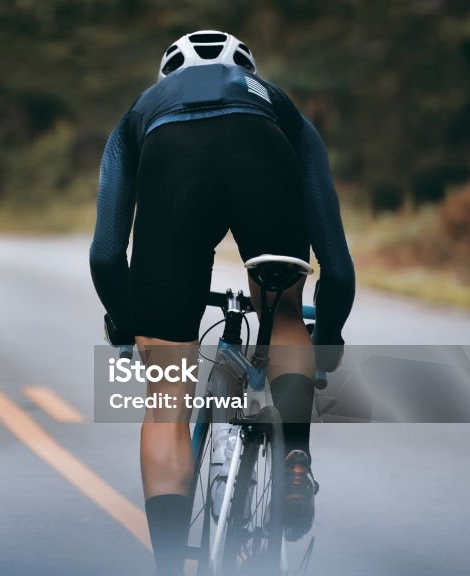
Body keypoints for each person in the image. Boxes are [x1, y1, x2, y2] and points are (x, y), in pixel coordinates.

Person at [89, 30, 355, 575]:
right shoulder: (276, 102)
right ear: (248, 69)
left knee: (166, 398)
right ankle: (295, 459)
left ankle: (168, 566)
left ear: (167, 77)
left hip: (171, 168)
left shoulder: (139, 112)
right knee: (281, 316)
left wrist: (126, 323)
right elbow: (338, 261)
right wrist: (324, 344)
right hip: (262, 154)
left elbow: (106, 255)